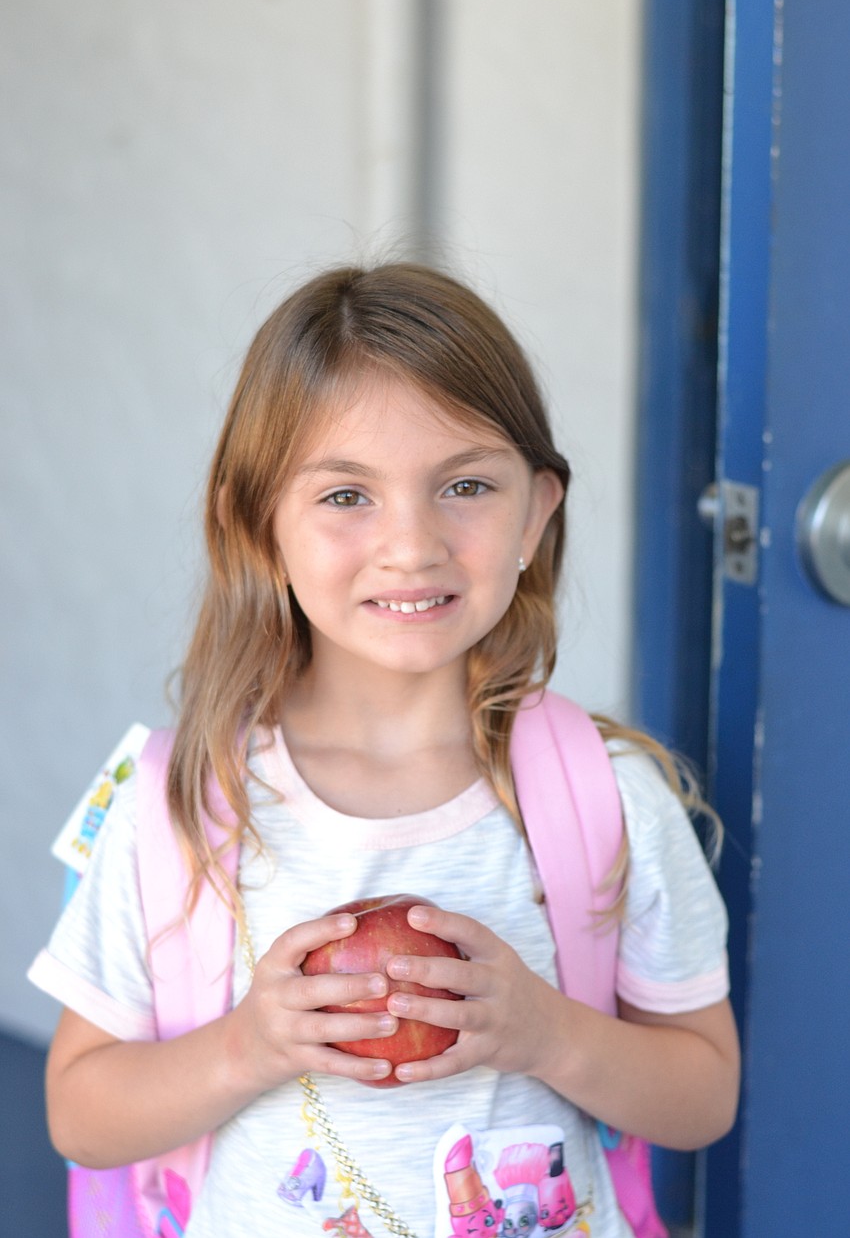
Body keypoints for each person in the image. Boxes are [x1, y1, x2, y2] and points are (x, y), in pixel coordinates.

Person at [30, 262, 739, 1238]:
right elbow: (80, 1113)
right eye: (346, 496)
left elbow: (702, 1095)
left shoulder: (604, 799)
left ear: (537, 510)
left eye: (464, 485)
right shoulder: (178, 802)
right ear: (257, 524)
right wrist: (249, 1046)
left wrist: (545, 1033)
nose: (411, 544)